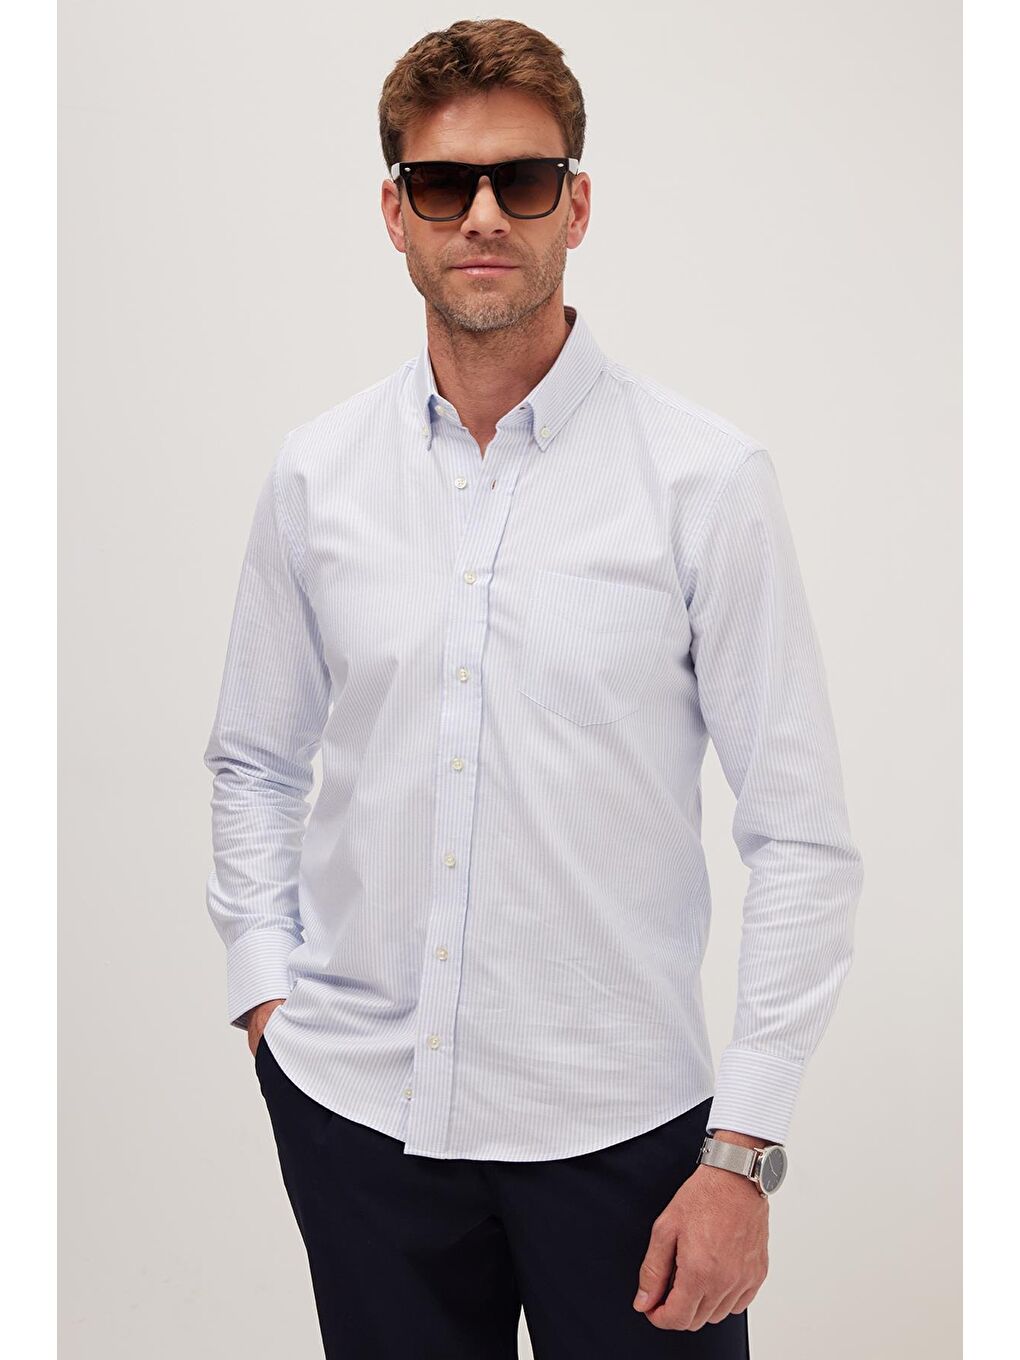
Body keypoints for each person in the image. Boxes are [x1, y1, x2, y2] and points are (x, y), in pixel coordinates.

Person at [203, 17, 864, 1358]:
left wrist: (743, 1152)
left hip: (630, 1140)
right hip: (359, 1116)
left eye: (524, 178)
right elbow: (254, 761)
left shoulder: (705, 482)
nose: (485, 214)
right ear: (396, 212)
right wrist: (267, 993)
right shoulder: (317, 474)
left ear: (578, 204)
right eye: (446, 183)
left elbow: (799, 835)